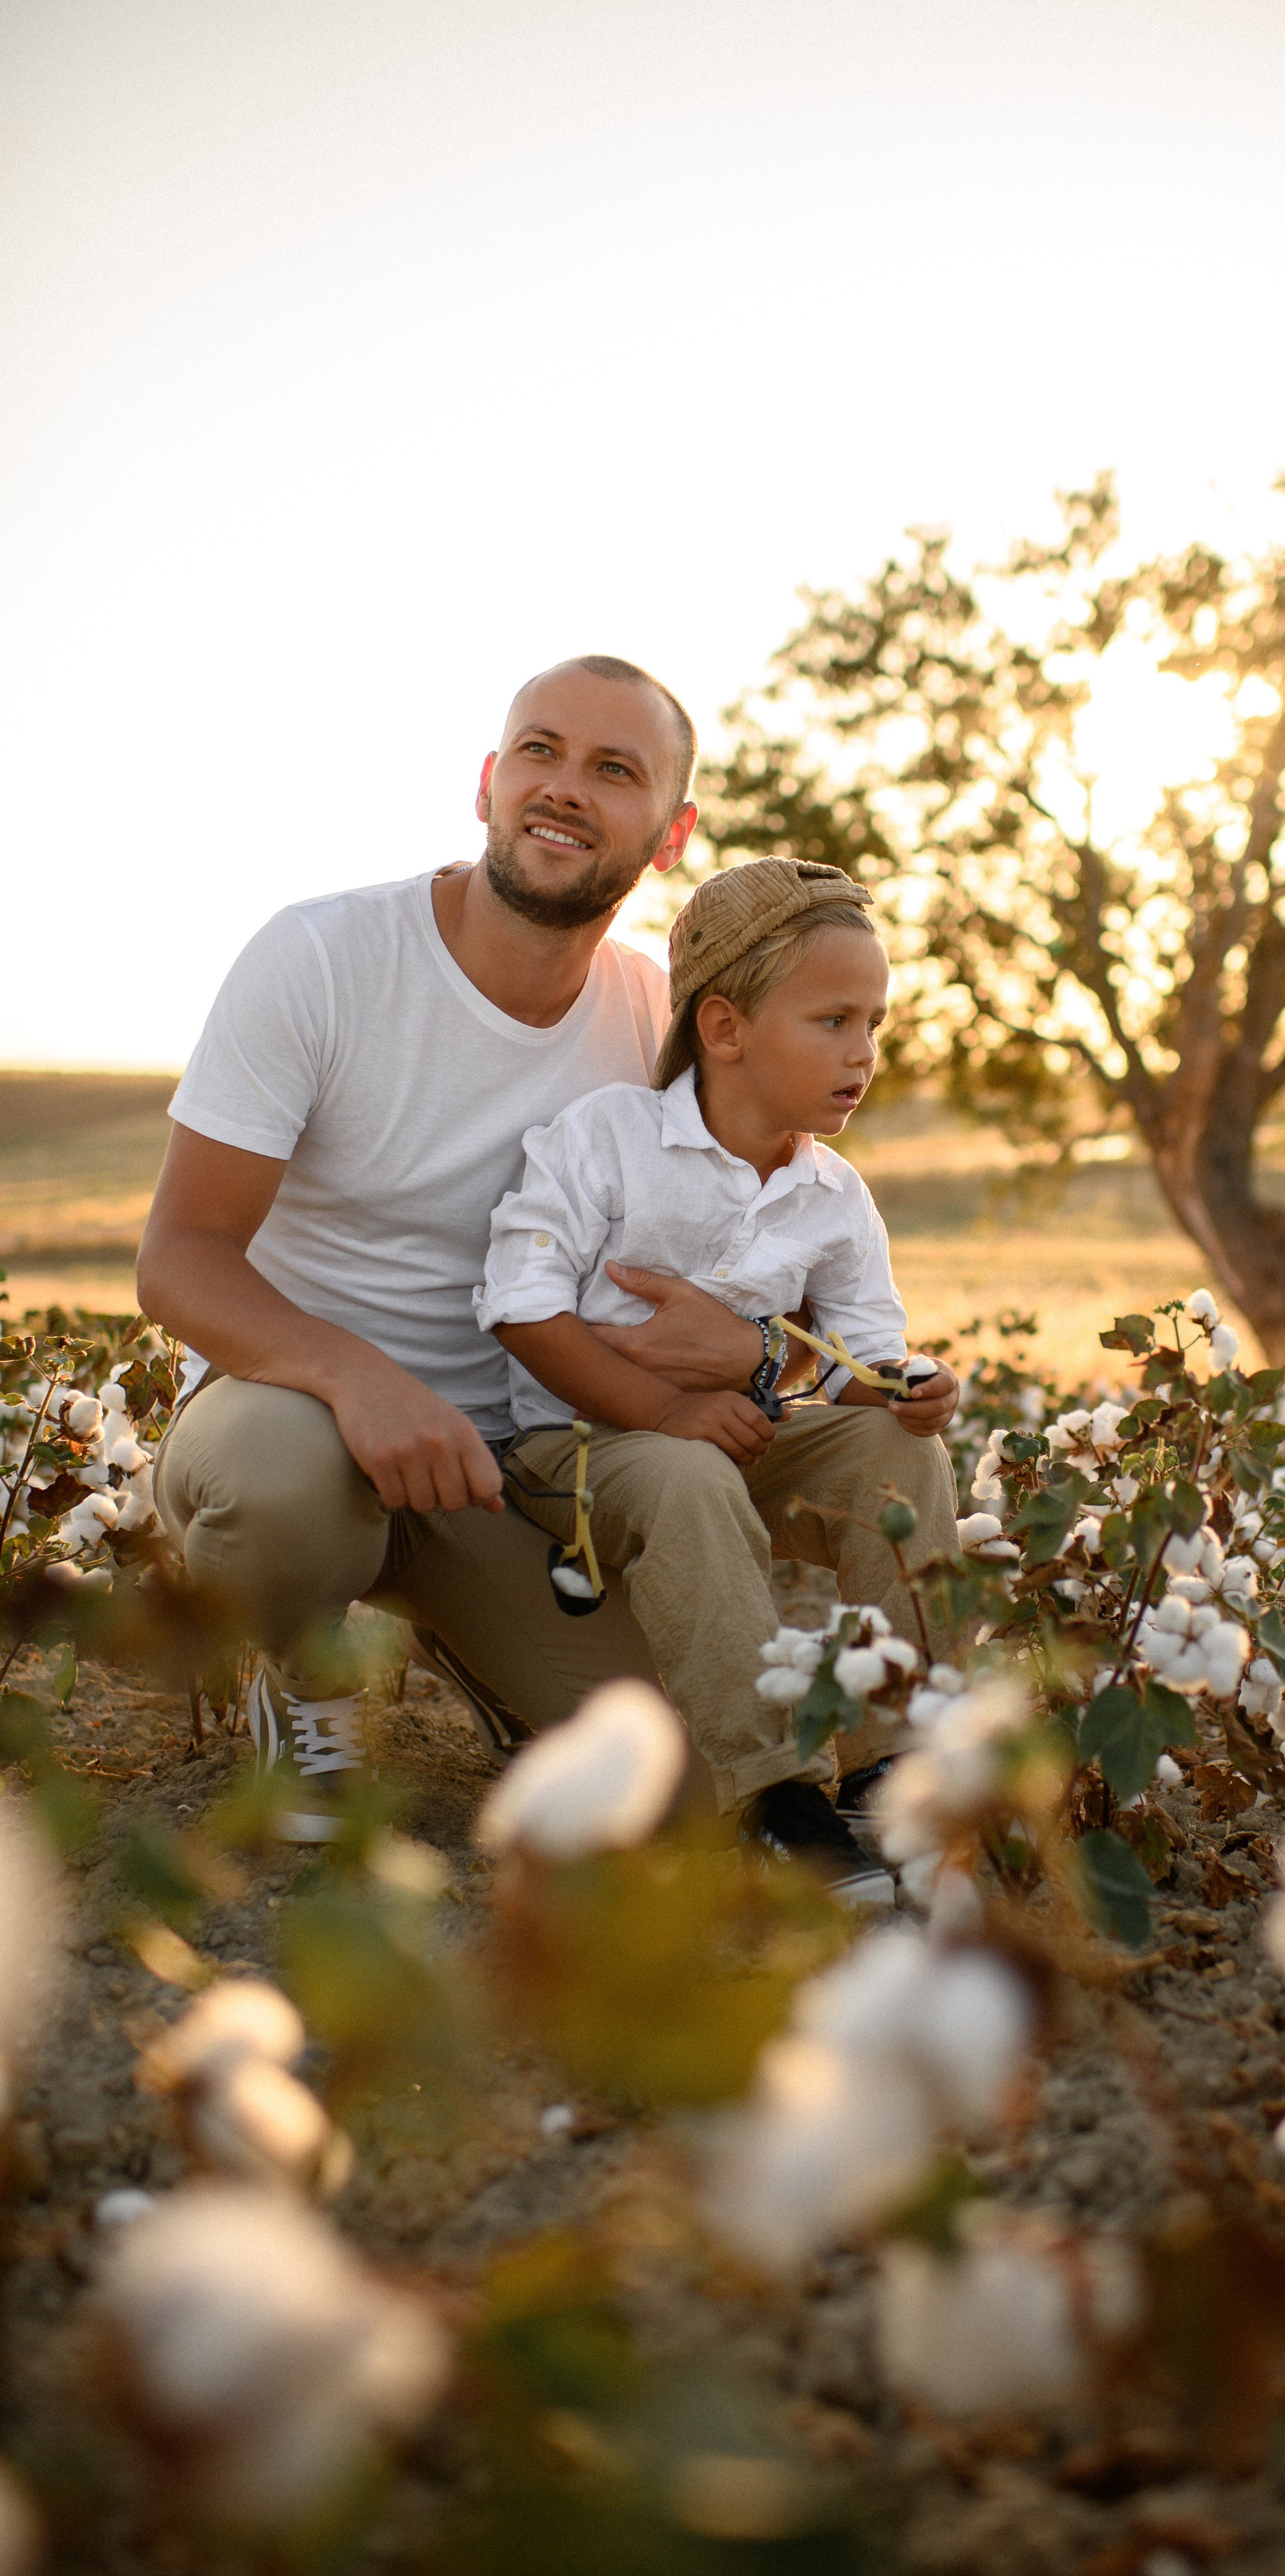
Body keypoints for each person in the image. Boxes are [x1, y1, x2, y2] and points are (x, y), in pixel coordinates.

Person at [137, 657, 954, 1845]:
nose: (564, 788)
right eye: (540, 750)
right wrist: (362, 1379)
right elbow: (181, 1259)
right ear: (487, 784)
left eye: (613, 771)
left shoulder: (657, 1027)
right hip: (299, 1414)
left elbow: (759, 1237)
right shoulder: (321, 958)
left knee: (668, 1793)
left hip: (525, 1473)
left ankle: (482, 1643)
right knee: (283, 1488)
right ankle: (305, 1672)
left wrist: (759, 1352)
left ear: (669, 837)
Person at [477, 855, 961, 1900]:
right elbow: (520, 1303)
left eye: (874, 1024)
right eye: (833, 1021)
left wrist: (910, 1390)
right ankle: (771, 1796)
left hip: (735, 1445)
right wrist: (666, 1409)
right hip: (578, 1452)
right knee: (689, 1473)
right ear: (726, 1027)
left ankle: (893, 1761)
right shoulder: (607, 1139)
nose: (864, 1053)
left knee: (898, 1452)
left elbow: (859, 1371)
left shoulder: (835, 1196)